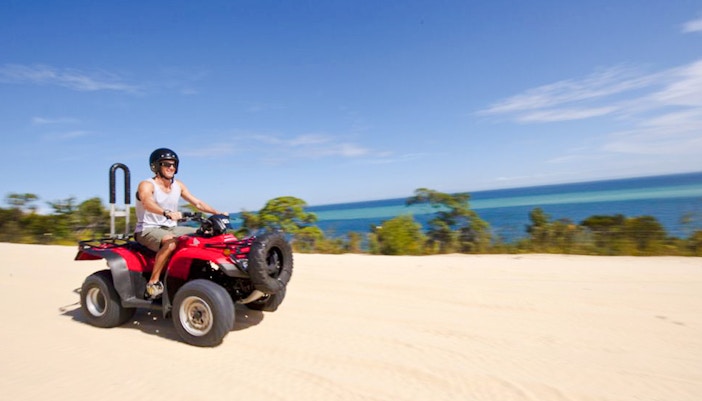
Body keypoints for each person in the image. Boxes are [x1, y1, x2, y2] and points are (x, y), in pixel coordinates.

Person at [134, 147, 223, 299]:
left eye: (174, 164)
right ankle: (153, 283)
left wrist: (217, 213)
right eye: (167, 164)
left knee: (205, 233)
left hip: (171, 228)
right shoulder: (147, 185)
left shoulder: (178, 185)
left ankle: (206, 273)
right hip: (147, 229)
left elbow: (198, 203)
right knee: (170, 242)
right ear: (156, 166)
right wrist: (166, 213)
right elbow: (147, 202)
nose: (171, 167)